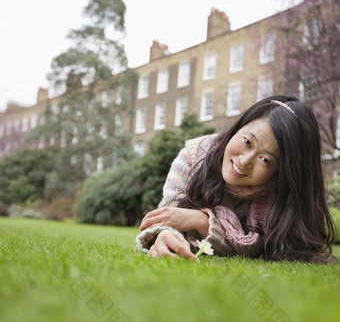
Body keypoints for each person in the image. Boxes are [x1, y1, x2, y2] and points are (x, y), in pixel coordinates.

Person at [136, 95, 335, 263]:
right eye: (247, 141)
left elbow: (260, 246)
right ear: (239, 127)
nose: (245, 161)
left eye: (265, 159)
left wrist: (200, 221)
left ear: (281, 171)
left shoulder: (279, 196)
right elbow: (166, 216)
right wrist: (165, 235)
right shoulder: (193, 158)